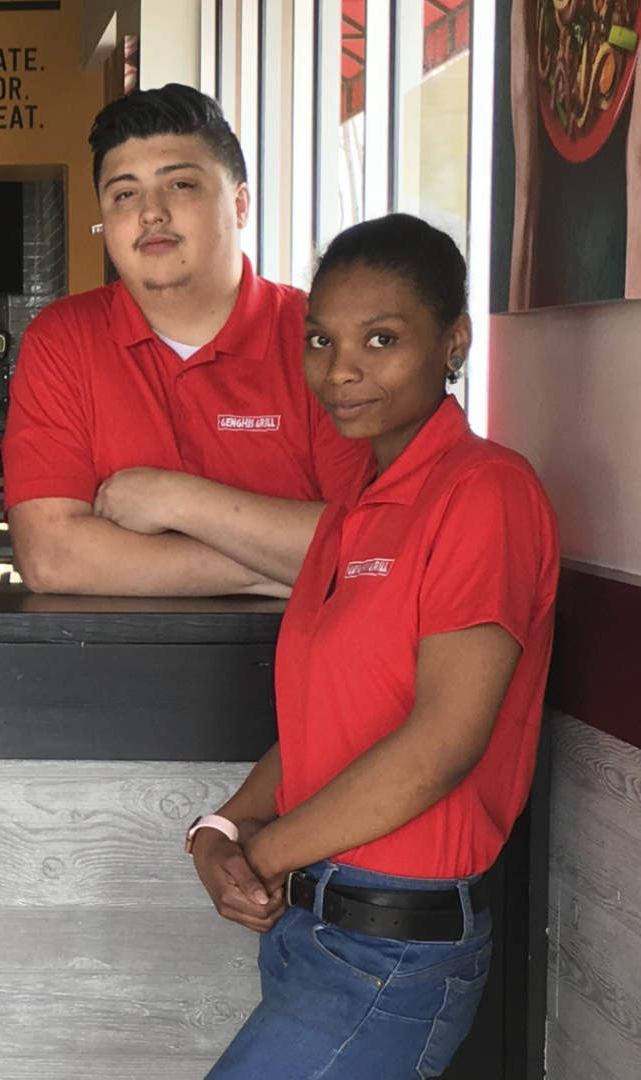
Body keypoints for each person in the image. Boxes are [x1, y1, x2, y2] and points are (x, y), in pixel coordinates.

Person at [188, 214, 558, 1078]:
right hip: (308, 930)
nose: (340, 369)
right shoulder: (352, 504)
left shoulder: (485, 493)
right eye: (321, 339)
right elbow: (328, 722)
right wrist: (222, 827)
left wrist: (262, 855)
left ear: (454, 341)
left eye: (381, 339)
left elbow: (440, 747)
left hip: (392, 951)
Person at [4, 83, 370, 597]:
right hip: (115, 652)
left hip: (306, 649)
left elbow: (373, 543)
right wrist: (278, 568)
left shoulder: (322, 336)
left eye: (180, 185)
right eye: (124, 194)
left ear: (239, 205)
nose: (151, 212)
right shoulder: (64, 338)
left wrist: (177, 500)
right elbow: (52, 558)